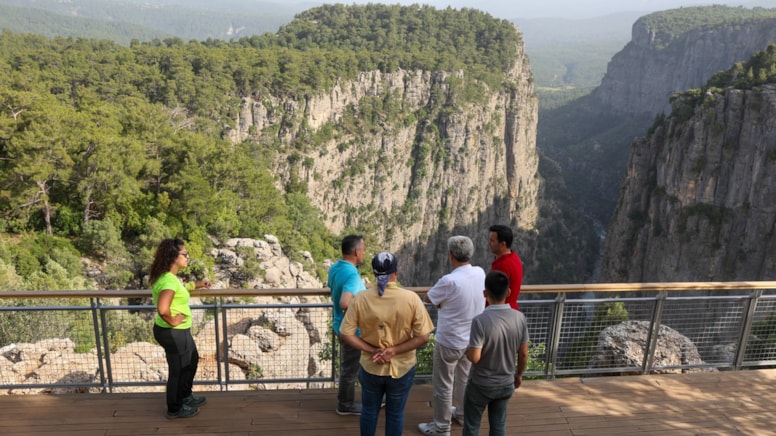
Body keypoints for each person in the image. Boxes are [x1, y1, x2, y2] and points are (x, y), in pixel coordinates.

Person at [341, 252, 435, 436]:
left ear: (374, 274)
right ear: (396, 273)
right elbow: (423, 337)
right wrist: (393, 351)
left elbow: (346, 333)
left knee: (369, 411)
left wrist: (371, 350)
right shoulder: (411, 298)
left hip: (371, 365)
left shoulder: (361, 298)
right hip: (401, 368)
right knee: (395, 413)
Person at [418, 236, 486, 436]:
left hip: (449, 341)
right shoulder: (480, 273)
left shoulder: (449, 280)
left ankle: (441, 427)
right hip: (472, 340)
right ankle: (463, 415)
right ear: (470, 254)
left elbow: (428, 298)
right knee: (464, 379)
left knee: (443, 385)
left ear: (450, 255)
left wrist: (443, 304)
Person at [149, 238, 211, 419]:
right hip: (173, 332)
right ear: (173, 256)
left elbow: (180, 288)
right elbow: (162, 308)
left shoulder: (169, 277)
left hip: (178, 331)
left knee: (191, 361)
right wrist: (173, 320)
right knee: (178, 370)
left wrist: (197, 285)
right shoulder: (169, 280)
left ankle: (185, 396)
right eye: (184, 254)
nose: (187, 256)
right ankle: (174, 408)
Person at [462, 271, 529, 436]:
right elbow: (523, 354)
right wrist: (519, 374)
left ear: (485, 294)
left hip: (481, 385)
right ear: (508, 292)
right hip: (506, 383)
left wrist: (467, 351)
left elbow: (475, 357)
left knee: (471, 426)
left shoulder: (480, 321)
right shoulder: (520, 318)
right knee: (498, 426)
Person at [328, 234, 368, 415]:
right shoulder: (352, 274)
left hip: (340, 324)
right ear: (357, 251)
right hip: (352, 330)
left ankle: (367, 397)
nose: (365, 253)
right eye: (364, 249)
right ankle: (345, 405)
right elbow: (345, 302)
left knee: (355, 366)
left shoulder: (335, 267)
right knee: (350, 370)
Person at [487, 224, 523, 311]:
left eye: (492, 240)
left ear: (503, 244)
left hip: (500, 313)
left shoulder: (503, 265)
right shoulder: (514, 257)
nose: (489, 243)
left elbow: (495, 294)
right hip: (511, 310)